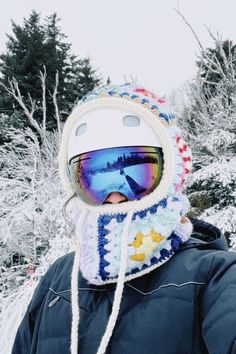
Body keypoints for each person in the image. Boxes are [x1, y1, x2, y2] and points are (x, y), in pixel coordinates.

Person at [12, 83, 236, 354]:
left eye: (136, 176)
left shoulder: (215, 277)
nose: (116, 197)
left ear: (170, 175)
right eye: (96, 180)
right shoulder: (58, 279)